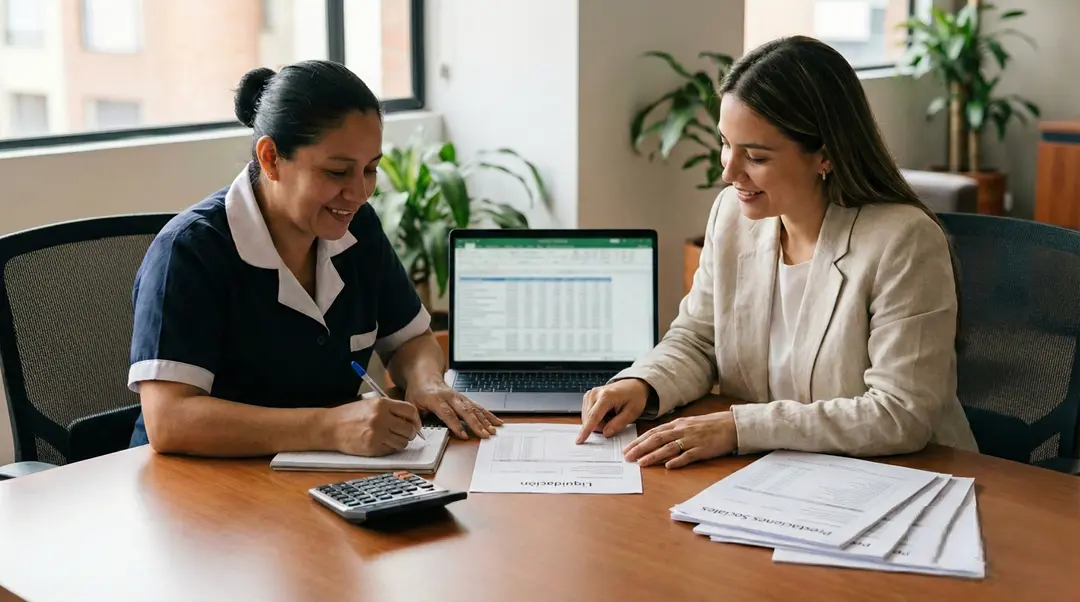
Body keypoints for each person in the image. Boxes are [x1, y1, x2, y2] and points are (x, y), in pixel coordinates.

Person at [577, 36, 978, 467]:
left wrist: (736, 428)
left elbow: (899, 413)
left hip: (905, 475)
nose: (728, 172)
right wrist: (643, 384)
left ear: (824, 155)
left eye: (755, 156)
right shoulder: (731, 217)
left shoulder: (904, 241)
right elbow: (698, 338)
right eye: (726, 144)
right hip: (778, 472)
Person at [127, 60, 501, 457]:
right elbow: (169, 419)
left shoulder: (357, 229)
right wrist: (327, 428)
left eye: (370, 170)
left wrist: (426, 381)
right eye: (338, 172)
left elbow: (411, 339)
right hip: (198, 491)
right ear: (271, 158)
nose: (359, 193)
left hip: (310, 477)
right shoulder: (190, 251)